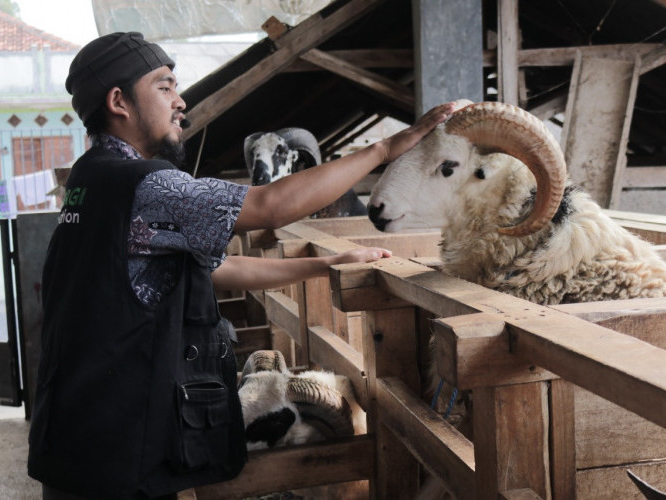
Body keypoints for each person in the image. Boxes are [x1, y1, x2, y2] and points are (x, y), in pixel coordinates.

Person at [27, 32, 454, 499]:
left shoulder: (88, 178)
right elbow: (271, 205)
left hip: (80, 433)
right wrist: (385, 150)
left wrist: (327, 263)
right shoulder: (145, 186)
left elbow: (213, 270)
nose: (181, 101)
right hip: (118, 447)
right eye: (165, 86)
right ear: (119, 101)